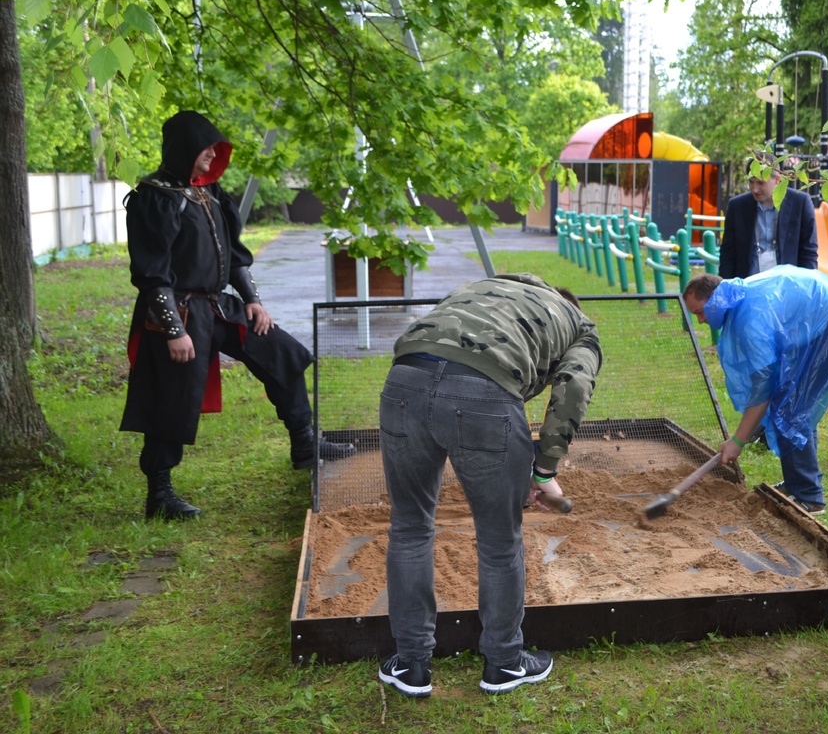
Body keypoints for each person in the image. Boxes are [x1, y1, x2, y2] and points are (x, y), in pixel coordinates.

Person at [121, 110, 354, 521]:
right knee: (170, 398)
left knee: (283, 353)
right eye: (205, 147)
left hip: (218, 304)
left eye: (216, 147)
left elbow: (237, 257)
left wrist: (254, 301)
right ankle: (159, 495)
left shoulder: (211, 194)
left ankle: (305, 443)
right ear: (183, 148)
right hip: (175, 311)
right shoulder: (154, 197)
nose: (213, 154)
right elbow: (152, 274)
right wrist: (174, 331)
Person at [377, 273, 602, 698]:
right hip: (483, 396)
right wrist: (544, 472)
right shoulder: (579, 326)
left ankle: (410, 665)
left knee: (408, 527)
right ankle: (504, 663)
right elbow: (572, 388)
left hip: (404, 380)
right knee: (499, 541)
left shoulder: (485, 287)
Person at [682, 270, 828, 514]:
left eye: (699, 312)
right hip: (826, 318)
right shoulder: (738, 299)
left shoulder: (748, 318)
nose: (700, 320)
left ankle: (809, 497)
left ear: (714, 299)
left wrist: (738, 440)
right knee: (792, 402)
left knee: (791, 408)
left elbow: (763, 387)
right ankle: (799, 484)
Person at [718, 153, 818, 280]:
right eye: (751, 182)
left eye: (760, 183)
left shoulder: (800, 203)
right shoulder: (737, 206)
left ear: (777, 180)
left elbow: (808, 252)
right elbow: (728, 253)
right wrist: (726, 287)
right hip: (748, 284)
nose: (755, 189)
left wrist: (806, 288)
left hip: (787, 286)